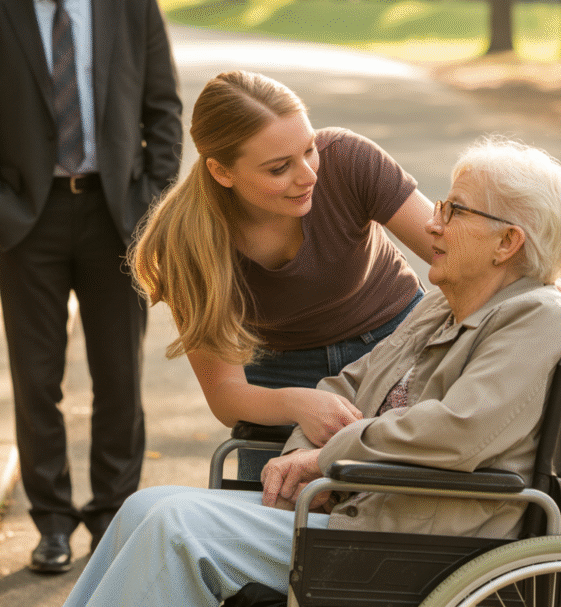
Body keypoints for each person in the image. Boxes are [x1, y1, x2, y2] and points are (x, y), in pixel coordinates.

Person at [61, 136, 561, 607]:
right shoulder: (441, 307)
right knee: (142, 508)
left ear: (507, 242)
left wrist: (328, 459)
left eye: (454, 211)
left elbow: (459, 432)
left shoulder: (538, 316)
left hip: (416, 538)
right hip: (358, 511)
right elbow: (346, 384)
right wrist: (299, 459)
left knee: (173, 527)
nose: (432, 222)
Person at [0, 0, 183, 574]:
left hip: (118, 219)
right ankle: (50, 521)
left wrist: (147, 207)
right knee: (36, 380)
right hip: (30, 220)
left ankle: (113, 518)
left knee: (119, 378)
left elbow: (164, 112)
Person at [131, 70, 434, 478]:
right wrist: (293, 403)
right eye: (279, 169)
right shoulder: (187, 244)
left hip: (395, 340)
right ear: (222, 172)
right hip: (278, 374)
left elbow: (458, 254)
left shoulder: (348, 160)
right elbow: (224, 393)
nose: (308, 175)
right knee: (276, 509)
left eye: (309, 149)